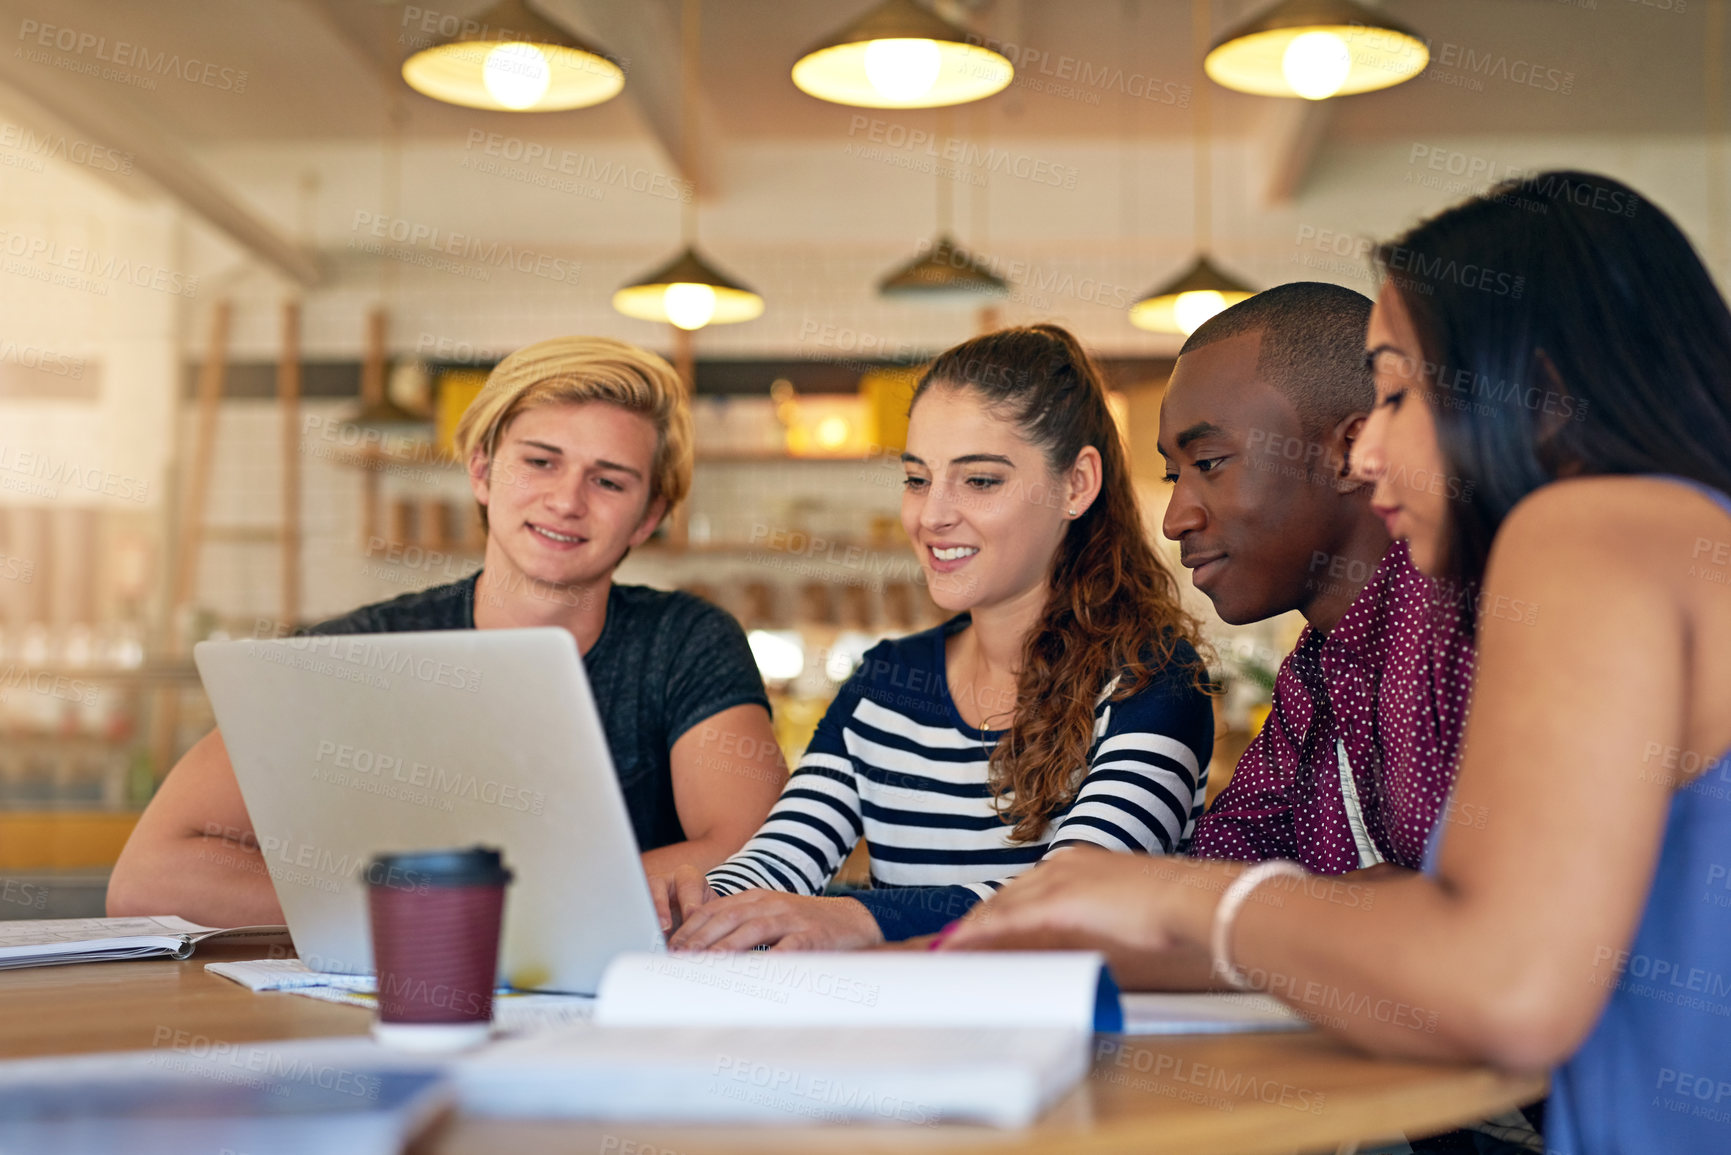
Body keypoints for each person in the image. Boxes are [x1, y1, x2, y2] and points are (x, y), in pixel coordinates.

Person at [944, 172, 1731, 1154]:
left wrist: (1175, 898)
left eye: (1398, 393)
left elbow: (1505, 985)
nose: (1368, 455)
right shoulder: (1665, 539)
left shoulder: (1585, 529)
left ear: (1539, 395)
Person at [107, 337, 785, 927]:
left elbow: (756, 849)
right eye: (540, 461)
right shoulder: (359, 653)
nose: (566, 500)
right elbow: (151, 877)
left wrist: (472, 904)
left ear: (647, 518)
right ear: (484, 471)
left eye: (608, 481)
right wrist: (439, 914)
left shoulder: (684, 642)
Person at [653, 324, 1215, 949]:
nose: (932, 515)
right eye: (918, 480)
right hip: (907, 1039)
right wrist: (705, 903)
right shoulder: (888, 682)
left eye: (980, 481)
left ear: (1077, 484)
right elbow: (780, 856)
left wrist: (858, 916)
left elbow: (1077, 900)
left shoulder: (1154, 678)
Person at [1164, 282, 1475, 878]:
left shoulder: (1461, 626)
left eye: (1207, 464)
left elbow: (1479, 920)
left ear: (1351, 451)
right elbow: (1227, 870)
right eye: (1170, 474)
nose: (1176, 519)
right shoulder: (1316, 669)